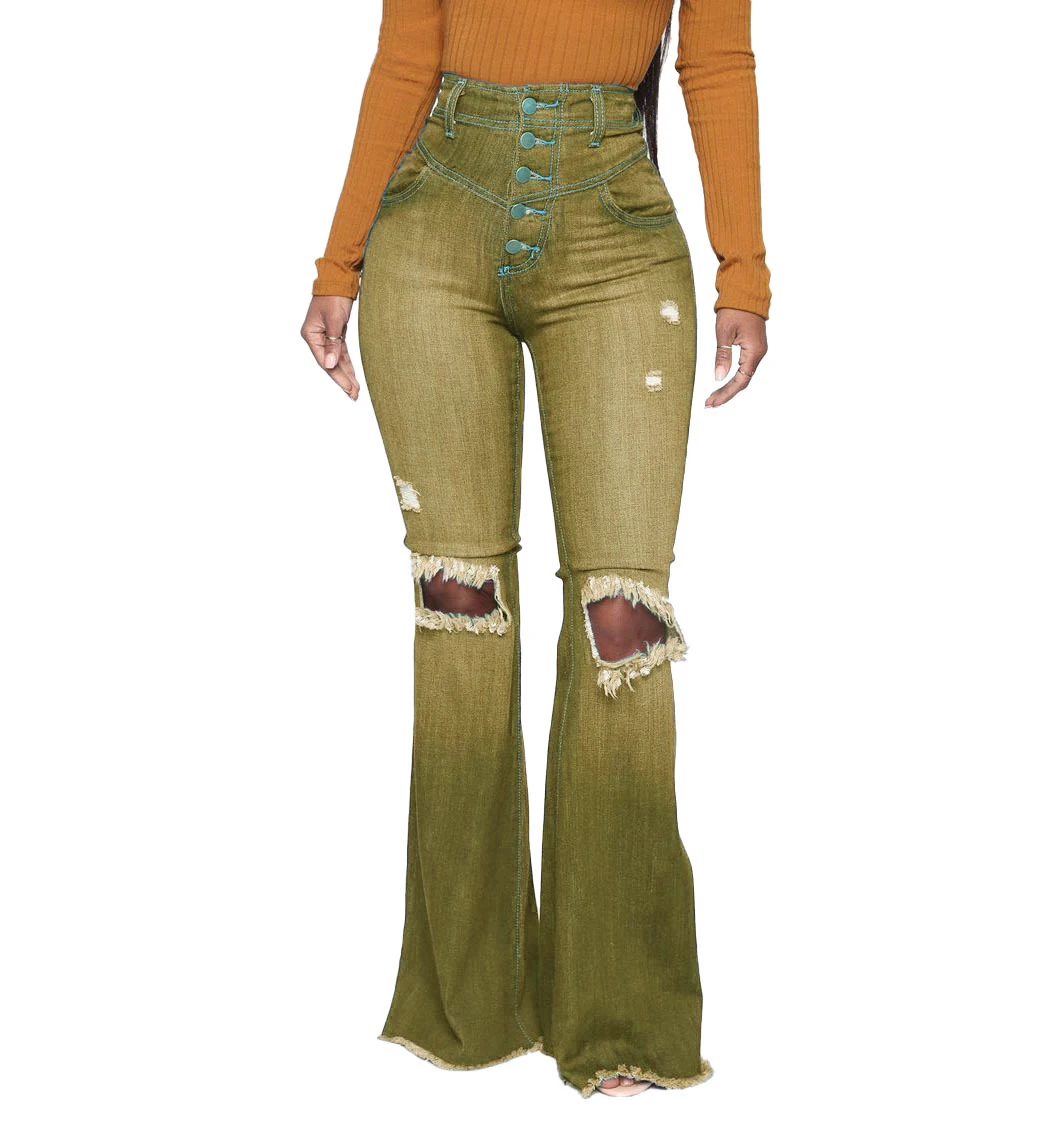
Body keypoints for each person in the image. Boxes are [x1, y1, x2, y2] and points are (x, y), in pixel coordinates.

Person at [299, 0, 771, 1099]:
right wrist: (338, 263)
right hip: (434, 220)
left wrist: (743, 271)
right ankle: (469, 1001)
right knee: (459, 607)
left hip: (614, 227)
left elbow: (717, 60)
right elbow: (407, 54)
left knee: (623, 622)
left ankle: (619, 1012)